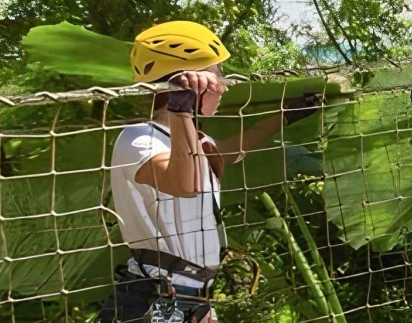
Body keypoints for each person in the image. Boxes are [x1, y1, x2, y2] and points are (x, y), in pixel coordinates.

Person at [100, 20, 320, 322]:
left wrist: (285, 116)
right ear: (192, 82)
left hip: (193, 296)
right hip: (156, 298)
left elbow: (229, 151)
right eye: (217, 74)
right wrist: (181, 106)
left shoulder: (191, 139)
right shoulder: (138, 139)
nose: (224, 84)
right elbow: (185, 182)